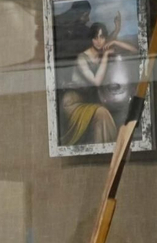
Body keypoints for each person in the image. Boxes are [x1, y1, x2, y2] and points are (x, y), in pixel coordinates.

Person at [59, 16, 139, 146]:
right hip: (74, 102)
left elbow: (135, 51)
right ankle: (106, 150)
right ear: (91, 39)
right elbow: (97, 82)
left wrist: (116, 42)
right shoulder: (82, 58)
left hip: (89, 99)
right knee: (102, 114)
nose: (98, 41)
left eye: (102, 37)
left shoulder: (103, 49)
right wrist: (106, 56)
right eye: (95, 37)